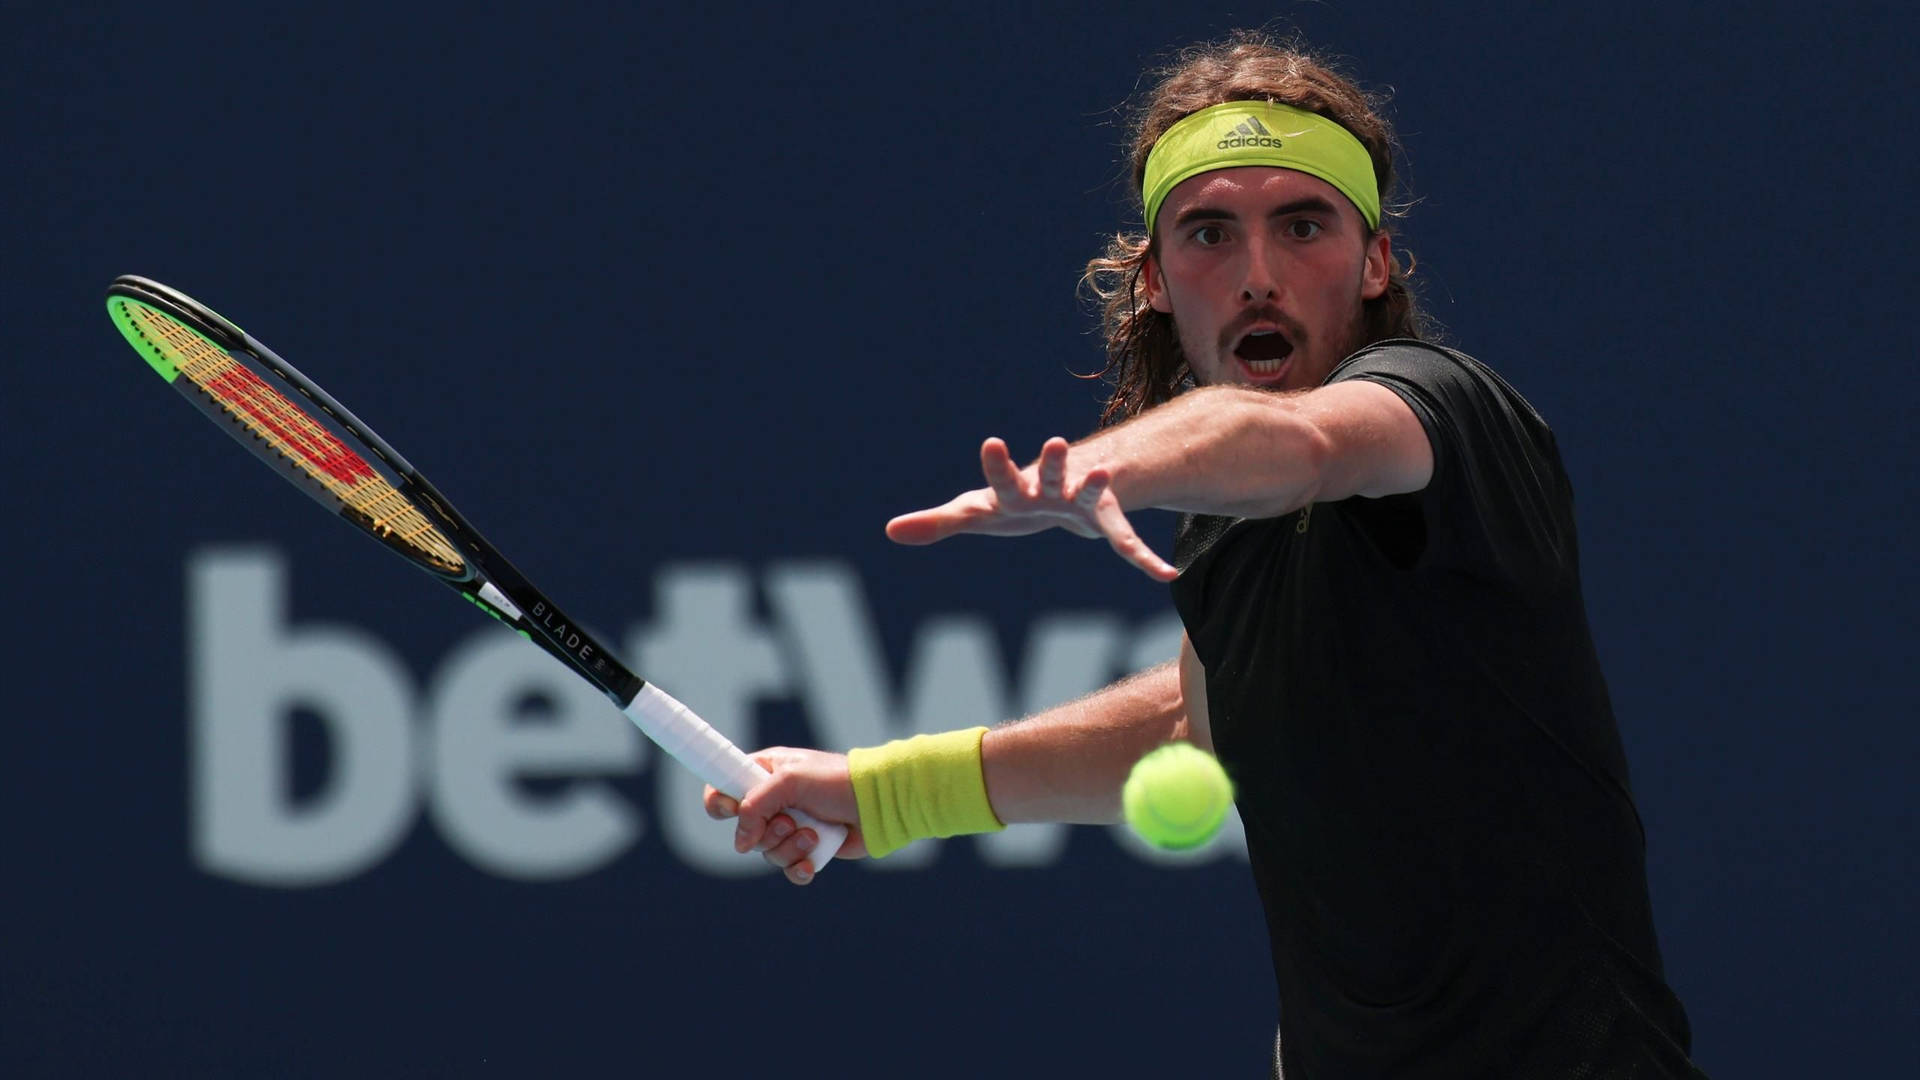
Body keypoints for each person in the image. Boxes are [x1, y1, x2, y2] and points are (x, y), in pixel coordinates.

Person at [704, 32, 1709, 1078]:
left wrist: (1106, 469)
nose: (1258, 275)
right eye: (1210, 234)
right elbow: (1203, 718)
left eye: (1305, 225)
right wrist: (886, 794)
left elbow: (1294, 444)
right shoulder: (1223, 523)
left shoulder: (1442, 412)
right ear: (1152, 278)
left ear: (1376, 263)